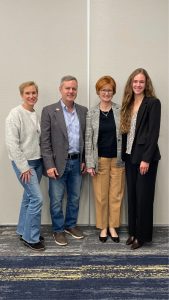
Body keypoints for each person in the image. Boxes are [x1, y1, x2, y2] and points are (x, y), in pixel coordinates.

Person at [40, 75, 88, 246]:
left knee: (74, 197)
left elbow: (86, 138)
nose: (71, 91)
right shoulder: (49, 110)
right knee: (56, 199)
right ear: (60, 89)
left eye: (74, 88)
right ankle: (58, 230)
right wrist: (49, 165)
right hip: (57, 164)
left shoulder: (83, 111)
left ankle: (70, 225)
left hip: (77, 163)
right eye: (67, 88)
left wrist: (84, 160)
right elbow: (44, 142)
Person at [120, 68, 161, 250]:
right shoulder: (128, 103)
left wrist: (146, 159)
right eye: (135, 81)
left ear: (146, 84)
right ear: (131, 83)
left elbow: (153, 134)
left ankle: (142, 236)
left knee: (144, 198)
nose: (138, 85)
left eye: (141, 82)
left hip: (145, 159)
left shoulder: (153, 103)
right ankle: (133, 232)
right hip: (129, 157)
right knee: (132, 197)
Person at [5, 81, 45, 251]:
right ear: (22, 95)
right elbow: (12, 144)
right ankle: (31, 238)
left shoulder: (36, 114)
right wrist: (24, 167)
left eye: (34, 93)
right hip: (24, 164)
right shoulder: (15, 114)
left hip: (38, 161)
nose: (31, 96)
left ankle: (24, 230)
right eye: (27, 93)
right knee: (37, 198)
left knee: (28, 197)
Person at [85, 75, 125, 243]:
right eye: (103, 90)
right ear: (98, 92)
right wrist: (89, 163)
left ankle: (112, 227)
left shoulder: (120, 110)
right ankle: (102, 227)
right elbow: (88, 139)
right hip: (99, 160)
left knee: (116, 195)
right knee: (101, 196)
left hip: (118, 160)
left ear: (113, 92)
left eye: (109, 90)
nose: (106, 93)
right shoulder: (91, 113)